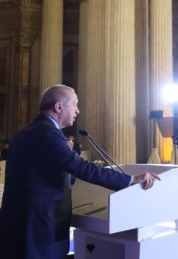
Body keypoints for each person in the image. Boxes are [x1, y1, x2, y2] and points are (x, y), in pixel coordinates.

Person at [0, 85, 161, 259]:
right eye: (74, 104)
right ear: (58, 107)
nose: (78, 110)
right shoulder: (47, 133)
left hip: (22, 223)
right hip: (39, 228)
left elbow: (46, 173)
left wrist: (68, 155)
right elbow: (82, 168)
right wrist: (130, 180)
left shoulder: (28, 131)